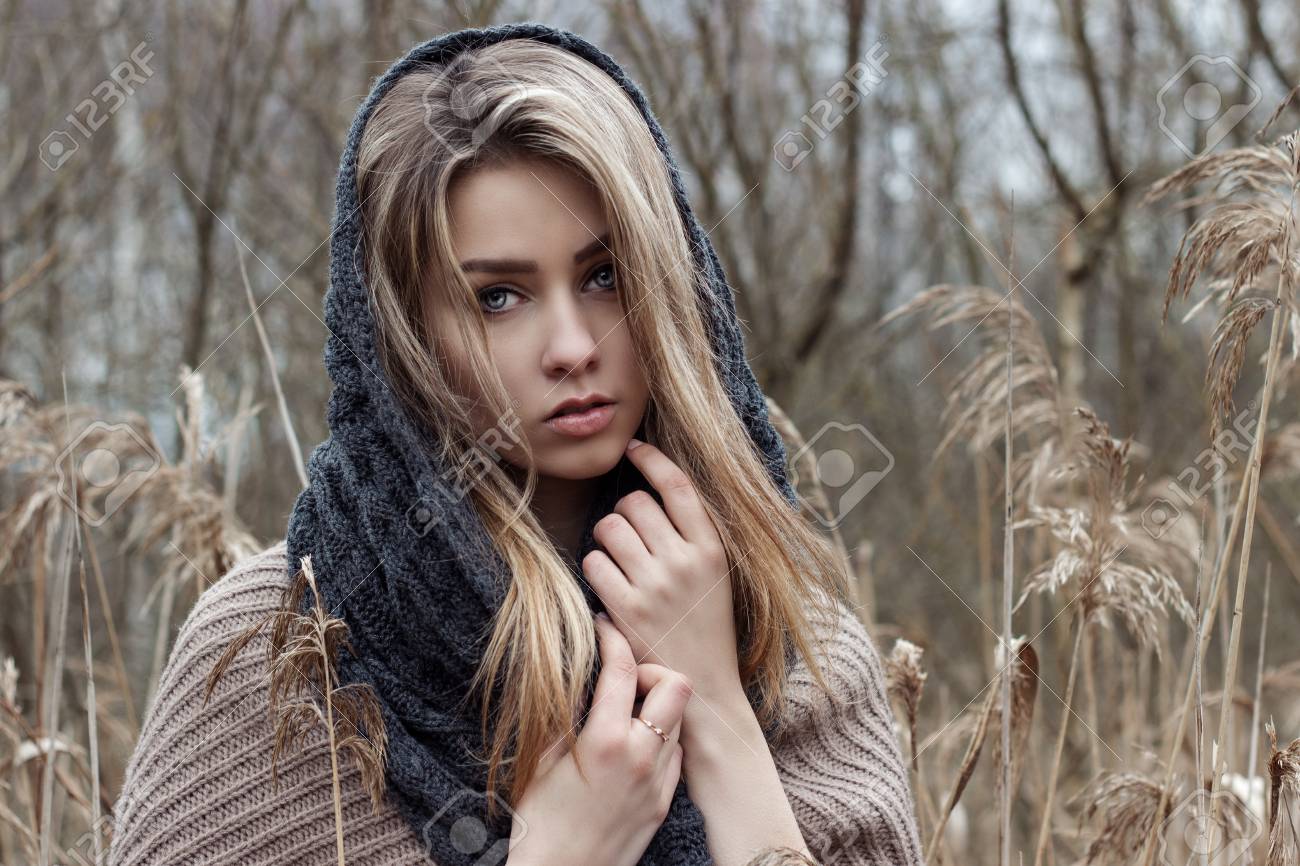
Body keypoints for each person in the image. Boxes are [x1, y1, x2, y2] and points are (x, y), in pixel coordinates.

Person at [109, 23, 923, 866]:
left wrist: (718, 712)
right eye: (498, 297)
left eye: (605, 276)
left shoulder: (797, 641)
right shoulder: (278, 659)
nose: (573, 345)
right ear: (403, 339)